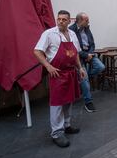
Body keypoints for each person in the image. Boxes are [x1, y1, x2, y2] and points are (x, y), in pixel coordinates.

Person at [34, 10, 86, 148]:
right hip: (57, 74)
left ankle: (67, 125)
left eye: (64, 19)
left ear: (69, 21)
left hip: (70, 73)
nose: (61, 21)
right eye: (59, 19)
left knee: (69, 101)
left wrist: (80, 68)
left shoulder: (73, 34)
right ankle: (56, 133)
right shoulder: (49, 34)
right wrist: (48, 66)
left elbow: (75, 54)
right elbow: (37, 51)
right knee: (57, 104)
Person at [69, 12, 105, 113]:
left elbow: (92, 43)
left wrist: (90, 53)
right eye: (86, 20)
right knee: (84, 79)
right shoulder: (71, 30)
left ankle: (84, 79)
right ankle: (88, 101)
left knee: (100, 67)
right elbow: (73, 49)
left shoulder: (87, 28)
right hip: (78, 57)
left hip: (89, 54)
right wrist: (85, 55)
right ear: (80, 20)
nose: (88, 22)